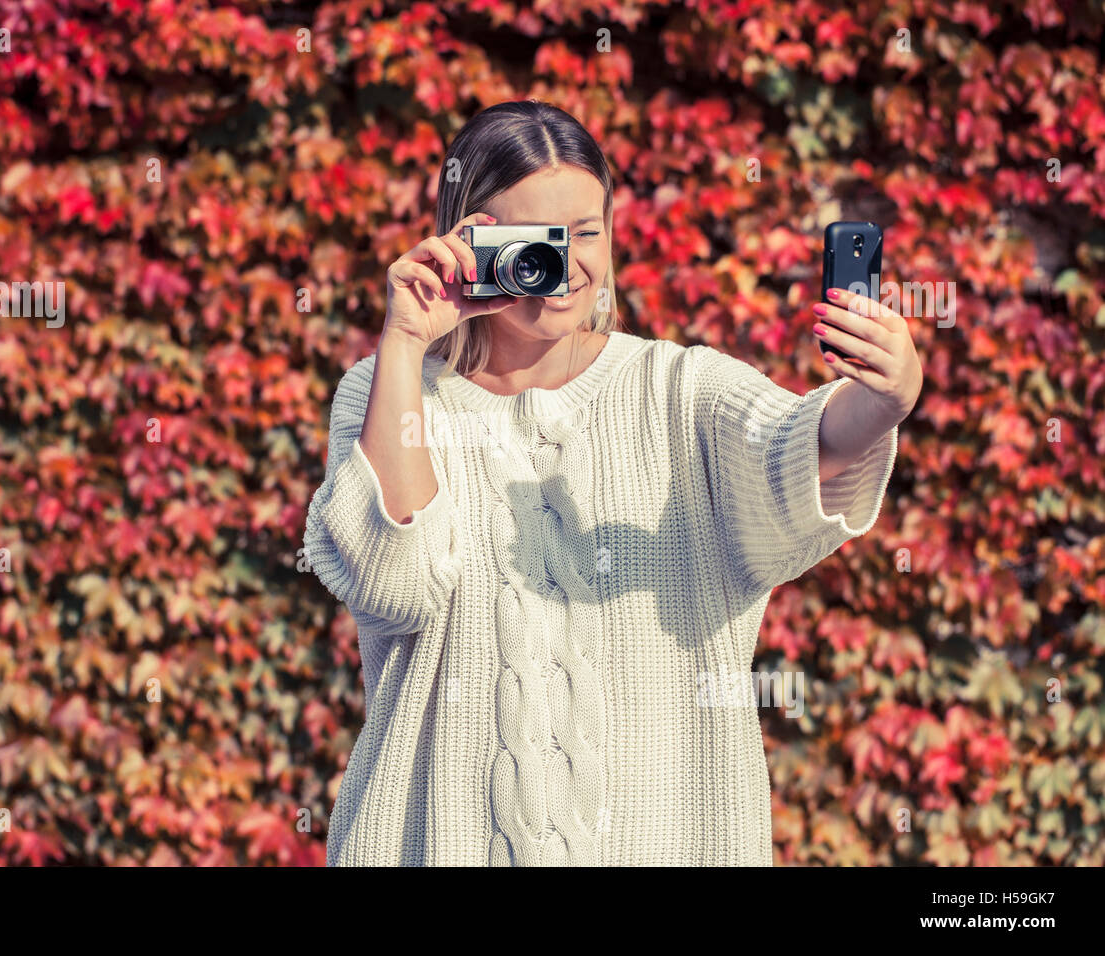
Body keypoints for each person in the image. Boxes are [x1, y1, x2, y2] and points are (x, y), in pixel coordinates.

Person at [302, 99, 922, 865]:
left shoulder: (680, 390)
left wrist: (885, 398)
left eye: (585, 232)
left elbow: (799, 451)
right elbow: (392, 580)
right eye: (531, 238)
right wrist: (402, 342)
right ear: (466, 239)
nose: (563, 262)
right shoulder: (385, 392)